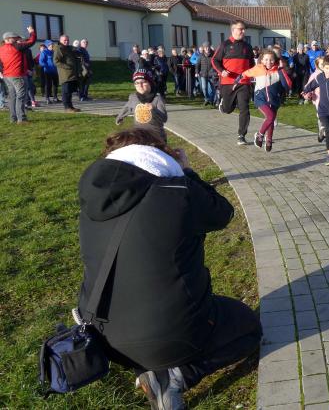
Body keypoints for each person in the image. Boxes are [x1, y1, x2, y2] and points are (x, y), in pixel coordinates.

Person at [77, 126, 261, 410]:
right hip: (171, 336)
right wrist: (186, 172)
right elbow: (222, 212)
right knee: (248, 327)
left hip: (104, 338)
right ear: (158, 156)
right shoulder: (177, 192)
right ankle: (176, 376)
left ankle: (148, 366)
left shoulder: (91, 202)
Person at [212, 20, 256, 145]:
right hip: (228, 82)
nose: (243, 31)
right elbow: (214, 60)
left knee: (244, 108)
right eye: (240, 29)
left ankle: (241, 135)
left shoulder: (247, 47)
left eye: (244, 29)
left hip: (243, 82)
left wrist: (252, 75)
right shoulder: (224, 45)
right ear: (233, 30)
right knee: (228, 109)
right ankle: (223, 105)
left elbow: (252, 64)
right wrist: (221, 71)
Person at [239, 51, 292, 151]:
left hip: (274, 100)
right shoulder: (258, 69)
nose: (269, 62)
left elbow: (287, 85)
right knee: (270, 116)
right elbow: (245, 74)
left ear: (275, 60)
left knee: (271, 119)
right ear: (262, 60)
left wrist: (281, 69)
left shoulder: (278, 70)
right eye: (266, 59)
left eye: (271, 59)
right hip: (260, 98)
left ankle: (269, 139)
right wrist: (237, 82)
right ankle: (260, 135)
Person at [115, 70, 168, 141]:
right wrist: (120, 117)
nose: (140, 85)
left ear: (150, 83)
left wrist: (154, 109)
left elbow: (164, 118)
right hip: (139, 136)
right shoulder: (133, 98)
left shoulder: (157, 99)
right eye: (137, 83)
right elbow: (127, 108)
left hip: (156, 137)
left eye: (143, 82)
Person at [0, 26, 36, 123]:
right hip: (17, 75)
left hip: (7, 76)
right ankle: (22, 118)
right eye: (14, 38)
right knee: (21, 96)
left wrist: (1, 72)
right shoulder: (16, 46)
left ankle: (13, 118)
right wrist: (32, 32)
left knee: (12, 96)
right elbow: (31, 41)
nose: (16, 39)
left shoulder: (1, 49)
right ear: (8, 39)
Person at [53, 34, 82, 113]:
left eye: (67, 40)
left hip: (72, 74)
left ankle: (71, 107)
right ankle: (67, 107)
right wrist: (67, 66)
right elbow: (56, 61)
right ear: (60, 40)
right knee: (66, 92)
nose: (66, 42)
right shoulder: (59, 48)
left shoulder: (69, 48)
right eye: (64, 40)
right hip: (65, 74)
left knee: (70, 92)